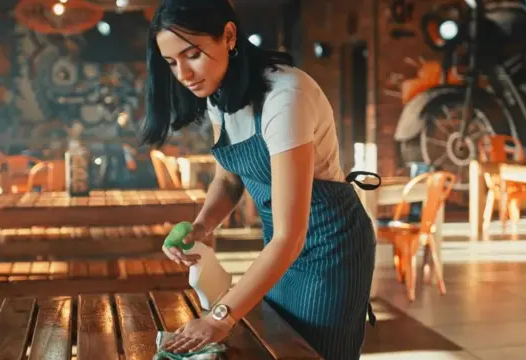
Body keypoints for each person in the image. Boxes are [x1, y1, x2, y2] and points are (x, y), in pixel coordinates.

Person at [142, 0, 380, 359]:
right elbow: (229, 180)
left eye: (192, 55)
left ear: (229, 35)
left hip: (331, 247)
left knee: (314, 352)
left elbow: (291, 235)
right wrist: (201, 227)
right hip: (281, 244)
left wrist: (219, 317)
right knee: (278, 344)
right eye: (171, 63)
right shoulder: (220, 94)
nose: (183, 75)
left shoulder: (285, 97)